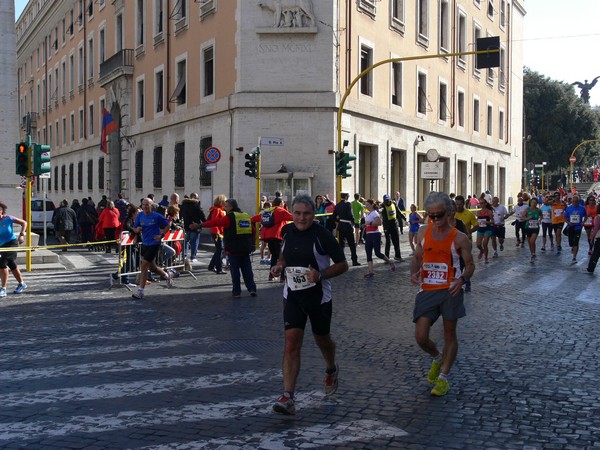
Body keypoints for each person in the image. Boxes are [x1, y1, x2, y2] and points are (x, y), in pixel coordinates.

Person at [270, 194, 348, 415]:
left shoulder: (322, 235)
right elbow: (285, 257)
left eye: (306, 214)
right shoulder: (287, 231)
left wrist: (320, 274)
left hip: (318, 296)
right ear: (291, 213)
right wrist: (278, 266)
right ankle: (288, 397)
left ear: (314, 214)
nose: (301, 218)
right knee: (291, 342)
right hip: (293, 294)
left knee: (322, 339)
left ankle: (331, 369)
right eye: (297, 213)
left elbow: (343, 265)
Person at [410, 192, 475, 397]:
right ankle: (437, 358)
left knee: (449, 335)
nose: (435, 220)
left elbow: (470, 265)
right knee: (421, 337)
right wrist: (414, 272)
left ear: (448, 213)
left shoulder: (460, 237)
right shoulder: (422, 232)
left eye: (439, 215)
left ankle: (444, 378)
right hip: (427, 289)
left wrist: (462, 280)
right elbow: (418, 256)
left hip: (450, 290)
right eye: (431, 216)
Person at [202, 198, 257, 298]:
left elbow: (215, 222)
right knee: (247, 270)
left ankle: (236, 292)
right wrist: (252, 244)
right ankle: (252, 289)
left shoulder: (230, 217)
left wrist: (201, 225)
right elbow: (253, 231)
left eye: (226, 206)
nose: (225, 208)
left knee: (235, 270)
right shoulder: (246, 216)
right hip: (245, 247)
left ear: (231, 207)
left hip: (233, 248)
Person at [131, 198, 174, 299]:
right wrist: (136, 229)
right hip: (145, 243)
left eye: (147, 205)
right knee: (152, 268)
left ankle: (140, 291)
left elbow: (167, 225)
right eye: (143, 205)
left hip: (155, 243)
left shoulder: (157, 216)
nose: (145, 206)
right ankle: (167, 275)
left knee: (144, 264)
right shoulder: (139, 216)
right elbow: (134, 227)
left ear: (152, 206)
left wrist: (161, 235)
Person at [251, 197, 293, 280]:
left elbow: (256, 218)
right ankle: (283, 277)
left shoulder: (268, 211)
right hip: (277, 236)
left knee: (274, 256)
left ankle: (271, 275)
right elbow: (292, 217)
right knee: (283, 256)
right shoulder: (280, 210)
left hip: (268, 237)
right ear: (281, 204)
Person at [362, 199, 396, 278]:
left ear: (371, 205)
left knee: (377, 253)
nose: (366, 206)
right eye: (365, 204)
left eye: (367, 204)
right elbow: (369, 224)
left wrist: (369, 223)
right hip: (368, 235)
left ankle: (390, 261)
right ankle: (371, 271)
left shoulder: (375, 213)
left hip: (375, 234)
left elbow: (379, 222)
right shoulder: (369, 213)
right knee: (368, 253)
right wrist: (365, 225)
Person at [0, 202, 28, 297]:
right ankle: (22, 283)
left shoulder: (8, 218)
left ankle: (3, 288)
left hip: (11, 243)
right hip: (1, 245)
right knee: (11, 263)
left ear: (1, 212)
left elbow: (24, 222)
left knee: (2, 263)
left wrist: (21, 235)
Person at [330, 192, 361, 266]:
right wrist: (353, 223)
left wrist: (339, 221)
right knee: (351, 245)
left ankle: (341, 261)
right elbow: (350, 215)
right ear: (346, 196)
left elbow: (334, 216)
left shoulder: (337, 205)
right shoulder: (348, 204)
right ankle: (354, 260)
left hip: (341, 226)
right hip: (347, 226)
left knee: (342, 245)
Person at [179, 193, 206, 263]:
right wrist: (204, 223)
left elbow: (180, 214)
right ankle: (193, 256)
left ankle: (184, 255)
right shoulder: (196, 205)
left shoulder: (184, 204)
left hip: (186, 226)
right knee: (194, 242)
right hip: (195, 225)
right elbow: (201, 215)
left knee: (186, 241)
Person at [206, 195, 227, 274]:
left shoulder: (219, 210)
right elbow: (215, 222)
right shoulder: (217, 210)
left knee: (219, 250)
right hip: (217, 232)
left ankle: (212, 266)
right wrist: (217, 232)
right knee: (219, 250)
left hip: (219, 232)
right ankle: (219, 268)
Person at [380, 194, 404, 261]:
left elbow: (398, 211)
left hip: (394, 224)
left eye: (388, 200)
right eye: (385, 200)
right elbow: (379, 210)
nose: (387, 202)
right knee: (388, 241)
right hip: (387, 226)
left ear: (390, 199)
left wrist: (404, 217)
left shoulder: (394, 203)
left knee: (396, 241)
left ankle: (398, 256)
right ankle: (386, 257)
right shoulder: (382, 206)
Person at [564, 195, 587, 264]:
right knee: (571, 242)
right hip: (570, 227)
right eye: (573, 201)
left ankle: (574, 257)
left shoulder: (582, 208)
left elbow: (586, 216)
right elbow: (564, 217)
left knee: (576, 241)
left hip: (578, 227)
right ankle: (572, 247)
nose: (574, 202)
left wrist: (583, 222)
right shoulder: (569, 208)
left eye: (576, 201)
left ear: (578, 201)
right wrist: (568, 222)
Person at [475, 197, 494, 264]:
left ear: (485, 204)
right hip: (480, 229)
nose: (481, 204)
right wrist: (478, 223)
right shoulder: (478, 212)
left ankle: (486, 258)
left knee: (485, 243)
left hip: (487, 229)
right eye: (480, 203)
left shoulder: (489, 212)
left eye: (482, 203)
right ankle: (481, 251)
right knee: (478, 244)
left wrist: (487, 222)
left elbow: (492, 221)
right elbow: (477, 221)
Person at [524, 197, 542, 264]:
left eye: (535, 203)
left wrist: (540, 220)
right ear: (530, 203)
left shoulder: (538, 210)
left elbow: (541, 215)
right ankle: (532, 254)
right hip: (528, 227)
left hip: (535, 228)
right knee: (530, 243)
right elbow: (522, 217)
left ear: (537, 203)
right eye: (532, 203)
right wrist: (527, 218)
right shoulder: (527, 210)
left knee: (532, 241)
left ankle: (533, 254)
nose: (533, 204)